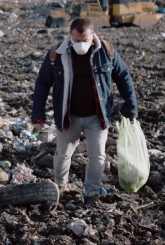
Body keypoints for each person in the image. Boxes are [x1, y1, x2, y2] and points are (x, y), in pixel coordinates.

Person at [31, 17, 137, 204]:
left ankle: (92, 193)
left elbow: (123, 76)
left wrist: (130, 105)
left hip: (97, 116)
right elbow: (43, 83)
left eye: (84, 40)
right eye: (77, 40)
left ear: (92, 35)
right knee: (63, 154)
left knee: (98, 156)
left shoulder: (107, 51)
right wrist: (38, 114)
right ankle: (60, 186)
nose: (81, 44)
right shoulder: (58, 53)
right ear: (70, 36)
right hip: (68, 116)